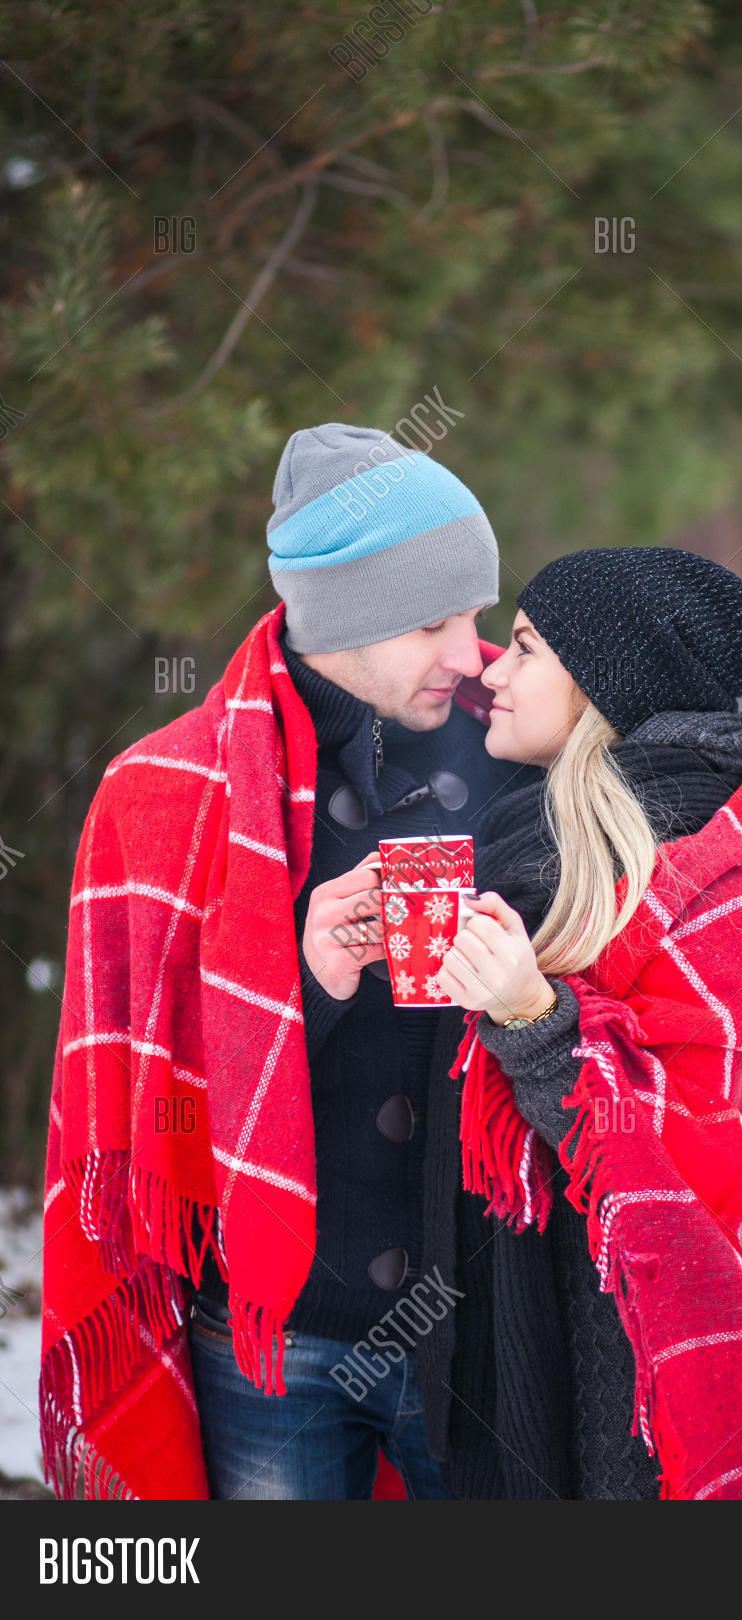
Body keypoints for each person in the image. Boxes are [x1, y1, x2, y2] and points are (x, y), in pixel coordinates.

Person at [39, 421, 545, 1500]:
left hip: (481, 1326)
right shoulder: (165, 796)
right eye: (432, 622)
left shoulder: (526, 748)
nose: (470, 655)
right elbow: (147, 1100)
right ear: (340, 619)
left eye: (475, 615)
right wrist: (301, 985)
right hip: (277, 1333)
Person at [411, 546, 742, 1499]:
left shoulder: (712, 887)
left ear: (604, 685)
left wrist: (535, 1018)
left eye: (526, 647)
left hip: (624, 1367)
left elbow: (678, 1167)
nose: (492, 671)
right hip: (504, 1328)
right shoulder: (525, 834)